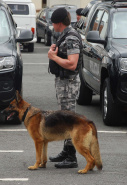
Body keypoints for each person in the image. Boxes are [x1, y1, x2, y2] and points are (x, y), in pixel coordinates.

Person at [48, 7, 83, 168]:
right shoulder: (64, 34)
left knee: (69, 119)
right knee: (64, 117)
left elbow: (72, 63)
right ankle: (66, 151)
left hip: (68, 84)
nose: (53, 25)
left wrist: (54, 57)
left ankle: (72, 157)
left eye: (54, 23)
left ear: (59, 23)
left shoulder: (71, 37)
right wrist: (54, 52)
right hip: (63, 83)